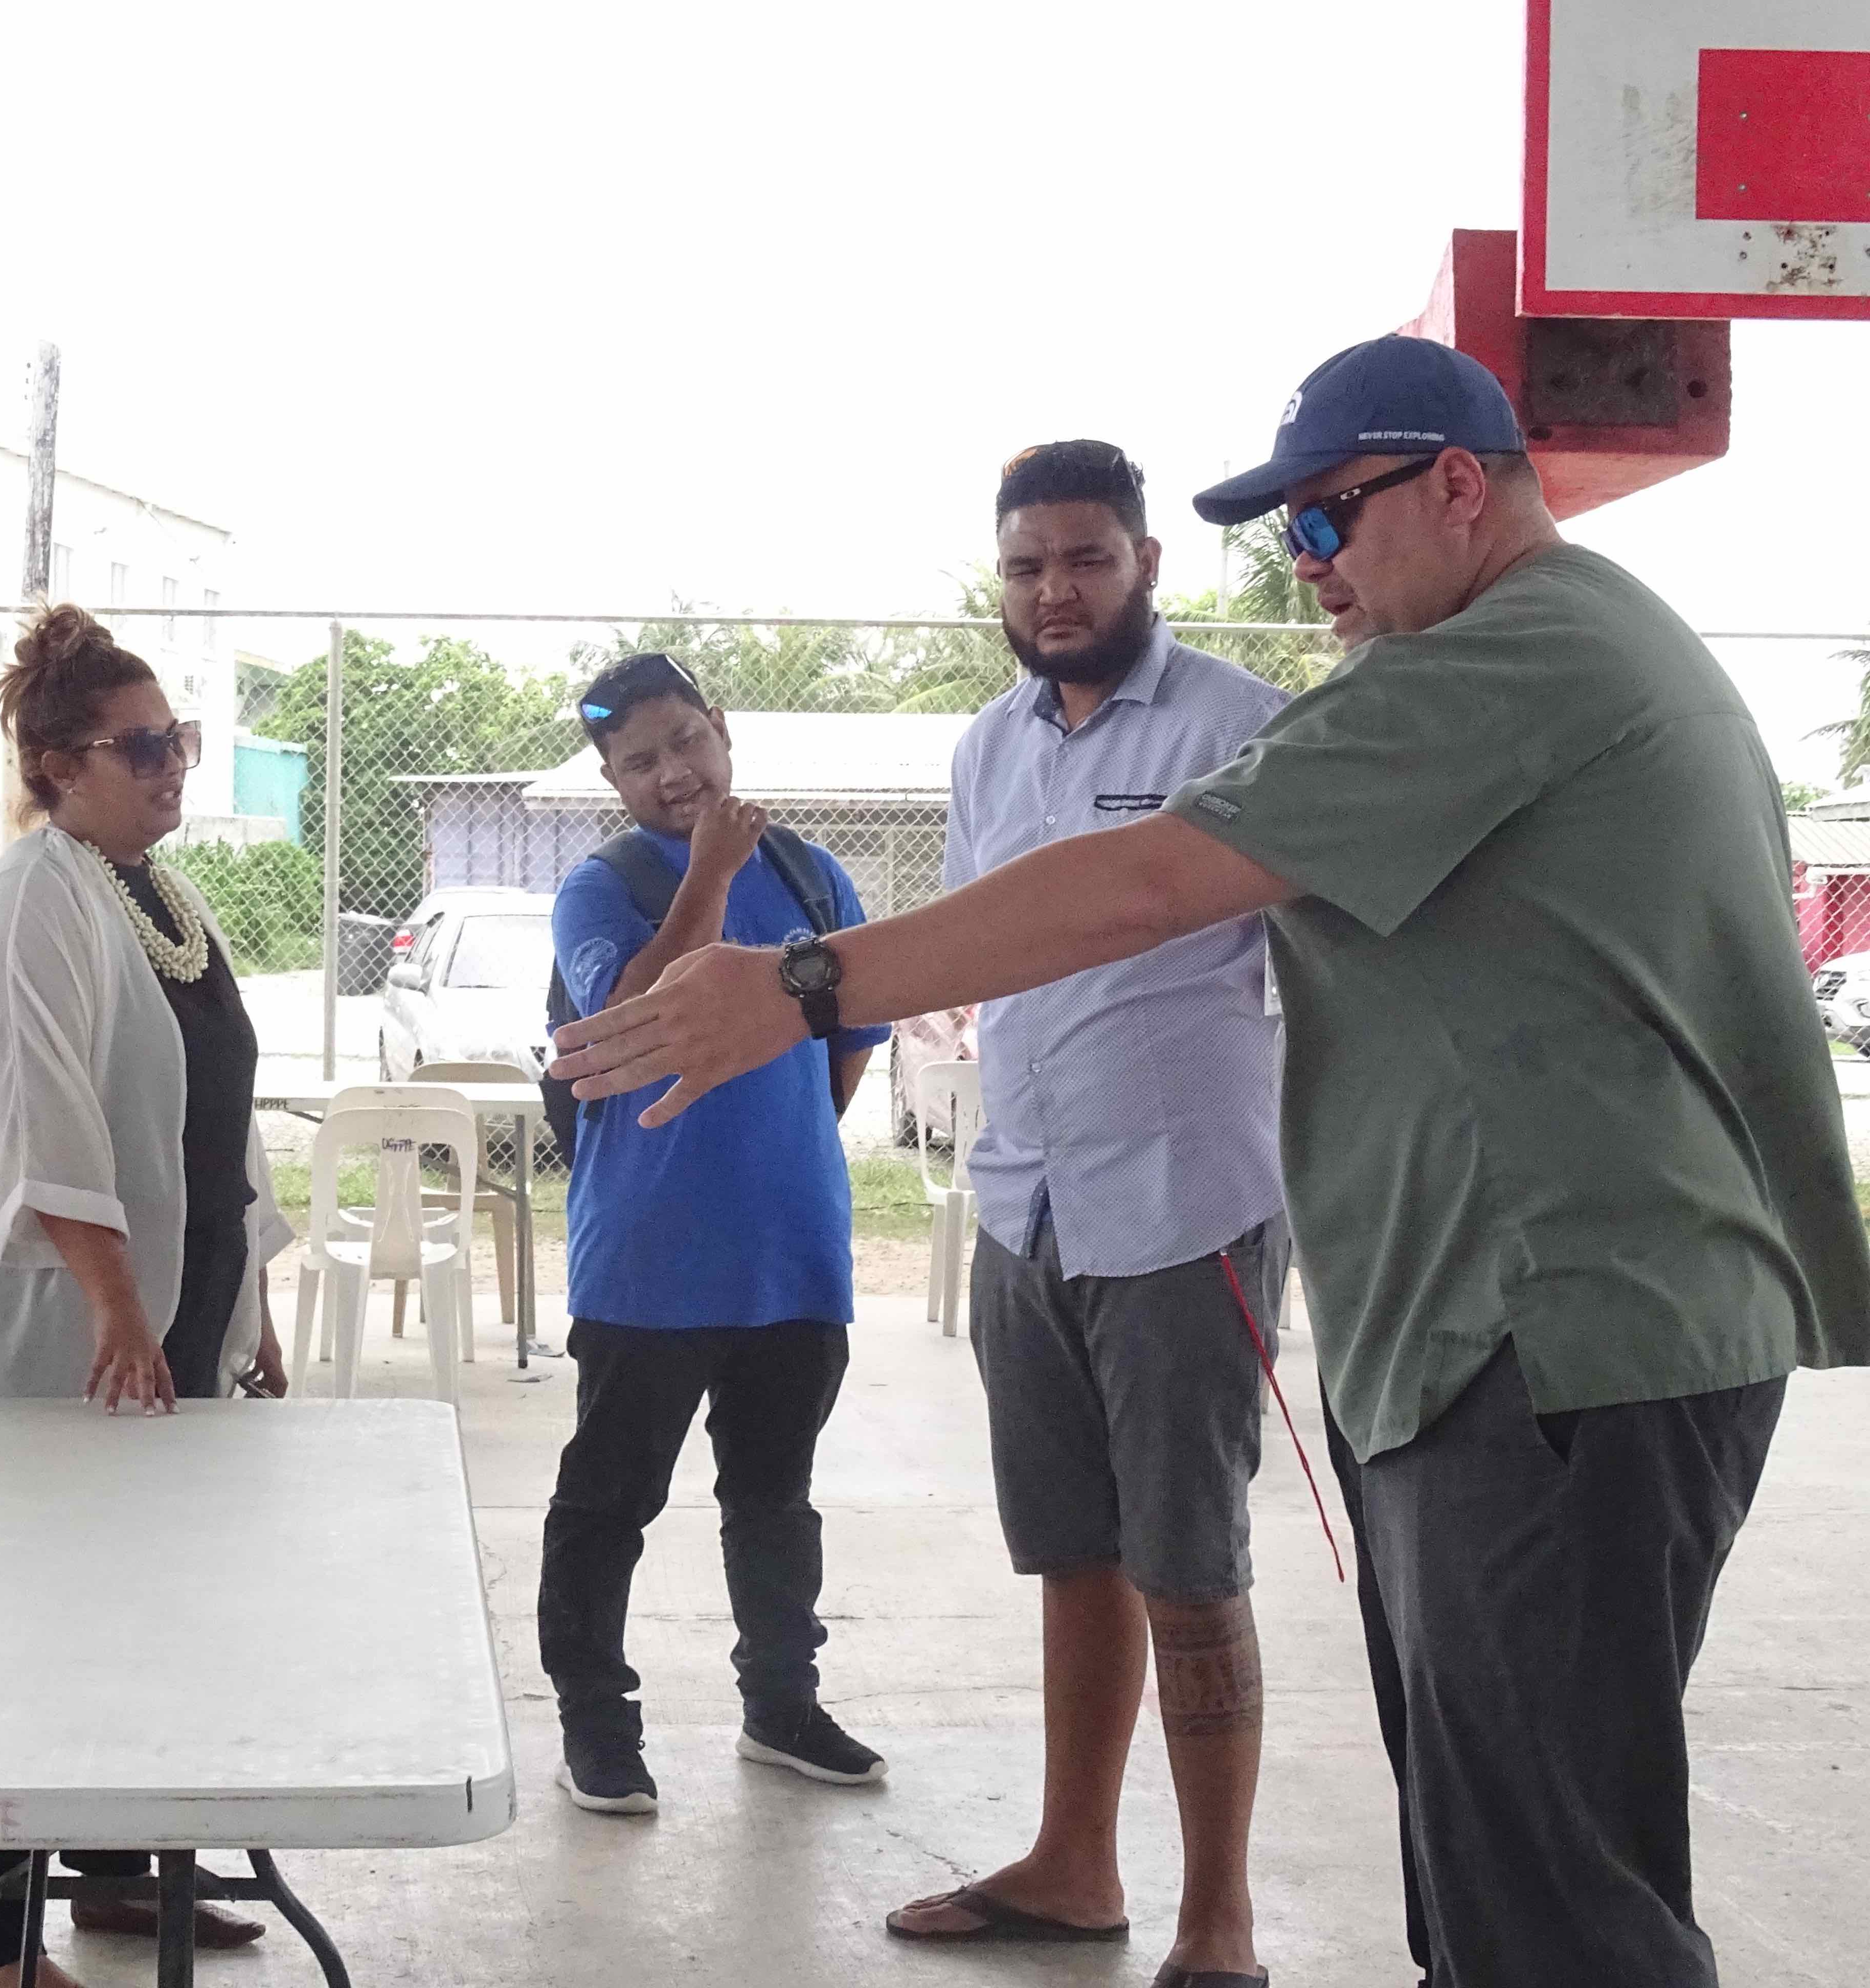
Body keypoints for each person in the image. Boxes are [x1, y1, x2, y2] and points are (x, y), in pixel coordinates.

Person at [548, 335, 1870, 1988]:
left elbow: (1148, 884)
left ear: (1456, 486)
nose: (1307, 571)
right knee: (1498, 1862)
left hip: (1548, 1331)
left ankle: (1216, 1917)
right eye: (1289, 537)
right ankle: (1078, 1853)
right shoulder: (1546, 652)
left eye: (1325, 522)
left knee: (1550, 1901)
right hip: (1464, 1319)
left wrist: (804, 981)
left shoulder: (1496, 663)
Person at [882, 441, 1288, 1988]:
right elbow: (987, 951)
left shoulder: (1244, 730)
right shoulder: (987, 749)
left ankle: (1219, 1921)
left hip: (1187, 1213)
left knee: (1192, 1564)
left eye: (1087, 560)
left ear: (1147, 567)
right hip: (1028, 1204)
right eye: (1028, 567)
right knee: (1074, 1551)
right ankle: (1073, 1867)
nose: (1056, 592)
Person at [0, 605, 295, 1988]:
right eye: (145, 747)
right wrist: (118, 1306)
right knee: (16, 1629)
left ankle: (116, 1875)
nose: (175, 766)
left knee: (137, 1613)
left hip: (156, 1301)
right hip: (34, 1310)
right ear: (58, 766)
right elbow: (41, 1126)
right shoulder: (30, 903)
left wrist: (246, 1303)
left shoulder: (159, 892)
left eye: (181, 740)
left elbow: (218, 1113)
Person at [537, 649, 895, 1817]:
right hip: (648, 1264)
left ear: (721, 731)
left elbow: (848, 1044)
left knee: (775, 1497)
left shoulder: (810, 872)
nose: (672, 772)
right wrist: (705, 875)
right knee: (610, 1500)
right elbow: (635, 1013)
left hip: (792, 1256)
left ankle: (781, 1704)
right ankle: (598, 1724)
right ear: (612, 780)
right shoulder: (602, 888)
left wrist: (780, 1159)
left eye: (685, 741)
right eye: (638, 761)